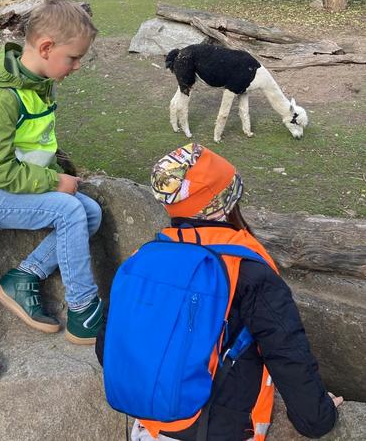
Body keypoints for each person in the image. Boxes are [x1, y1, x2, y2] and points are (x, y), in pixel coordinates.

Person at [97, 143, 342, 441]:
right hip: (216, 430)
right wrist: (318, 416)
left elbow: (106, 347)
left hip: (149, 427)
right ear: (224, 202)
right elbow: (288, 353)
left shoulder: (142, 258)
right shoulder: (247, 270)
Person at [0, 0, 103, 344]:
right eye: (74, 58)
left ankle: (23, 278)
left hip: (15, 185)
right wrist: (54, 181)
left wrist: (57, 174)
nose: (77, 66)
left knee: (91, 212)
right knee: (69, 210)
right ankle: (83, 308)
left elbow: (36, 145)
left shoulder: (37, 82)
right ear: (46, 47)